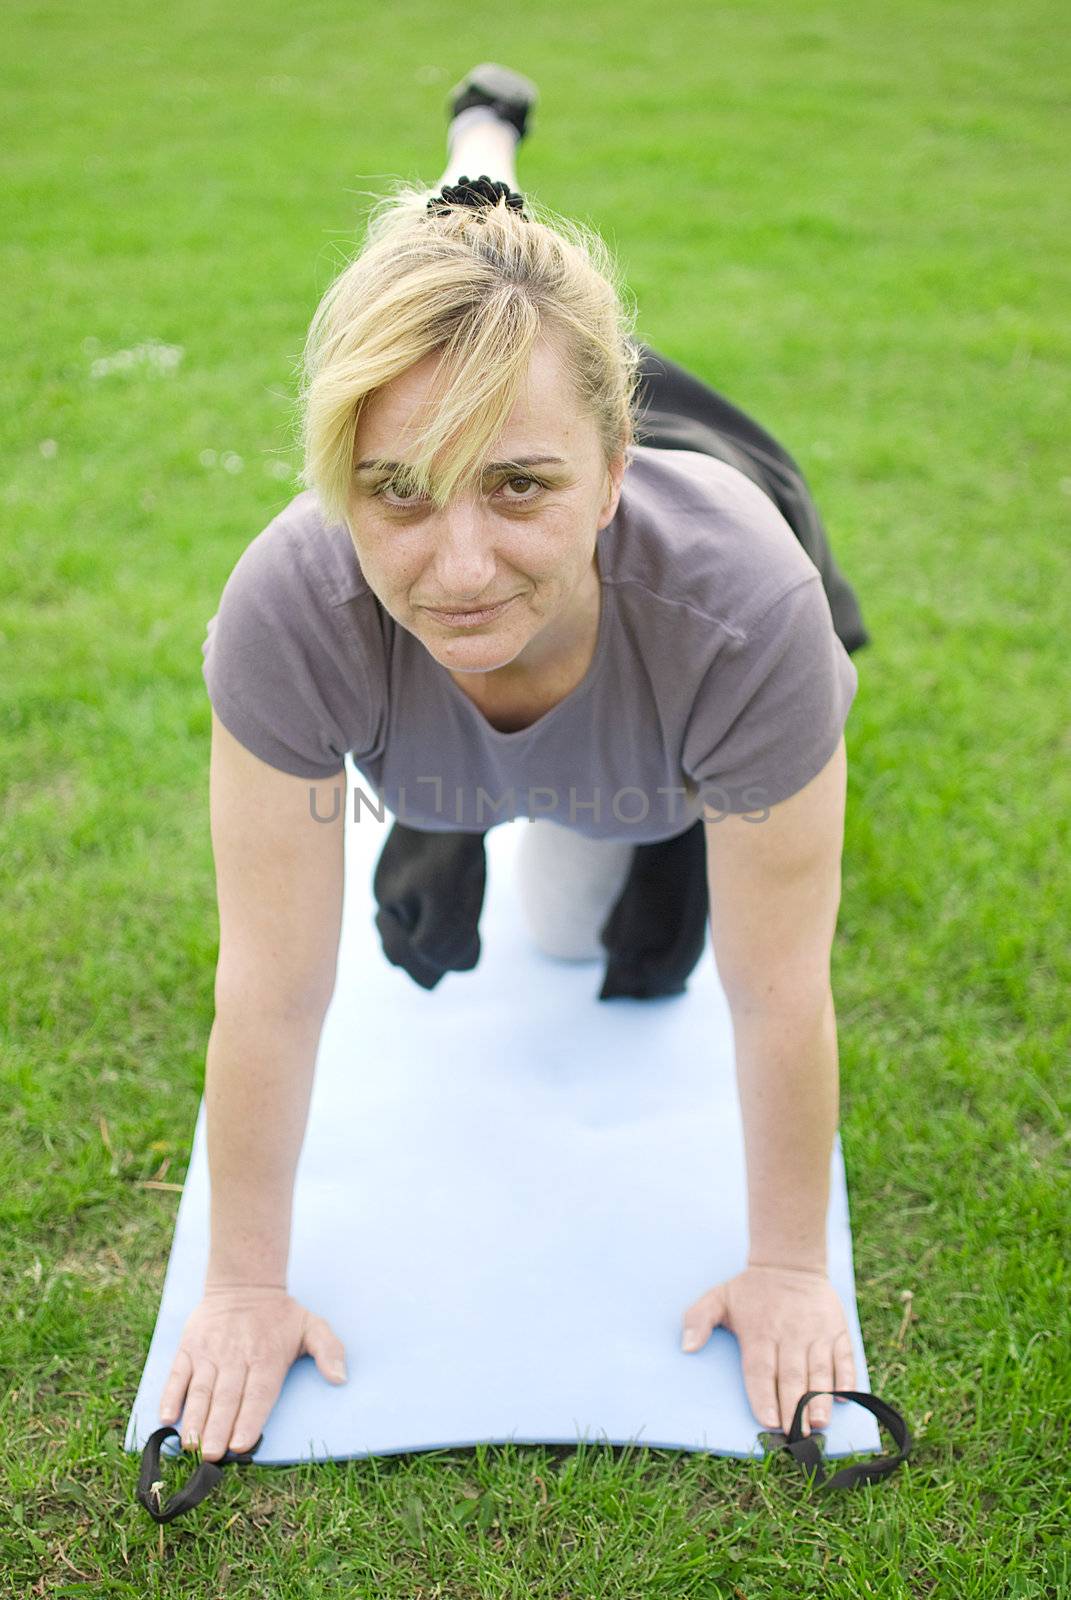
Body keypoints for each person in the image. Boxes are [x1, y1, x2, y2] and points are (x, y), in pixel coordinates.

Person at [159, 63, 869, 1465]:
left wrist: (791, 1267)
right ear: (335, 483)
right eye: (394, 491)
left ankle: (488, 194)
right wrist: (241, 1285)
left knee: (569, 931)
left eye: (523, 484)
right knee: (449, 298)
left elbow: (780, 986)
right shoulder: (294, 611)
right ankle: (478, 158)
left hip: (678, 608)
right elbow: (277, 988)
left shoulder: (747, 619)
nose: (462, 567)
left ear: (609, 471)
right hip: (448, 690)